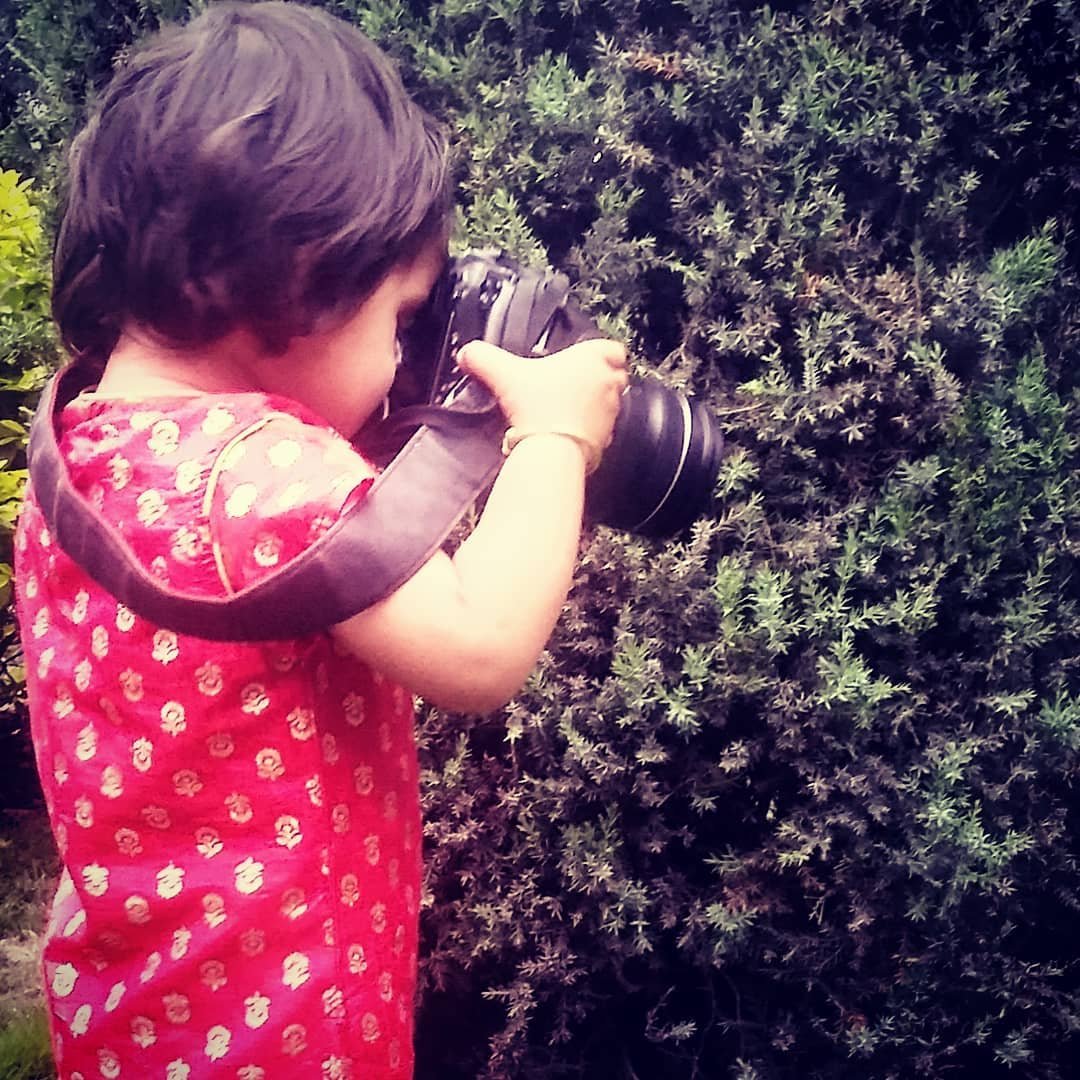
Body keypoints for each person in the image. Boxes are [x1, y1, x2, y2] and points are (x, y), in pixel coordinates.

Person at [13, 3, 627, 1077]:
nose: (398, 362)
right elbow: (478, 649)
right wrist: (552, 435)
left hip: (138, 1015)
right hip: (286, 1030)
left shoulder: (81, 450)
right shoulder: (268, 473)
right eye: (398, 320)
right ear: (294, 278)